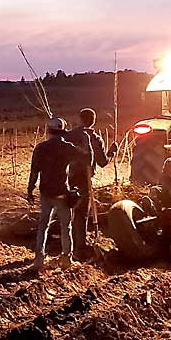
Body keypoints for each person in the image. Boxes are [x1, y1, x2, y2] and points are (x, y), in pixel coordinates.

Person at [28, 117, 83, 272]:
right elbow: (85, 157)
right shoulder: (67, 147)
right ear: (62, 131)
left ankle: (39, 260)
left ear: (48, 131)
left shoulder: (40, 148)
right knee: (66, 226)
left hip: (45, 192)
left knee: (43, 226)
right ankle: (67, 259)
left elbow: (34, 171)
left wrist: (30, 190)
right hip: (62, 193)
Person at [65, 108, 119, 255]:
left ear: (80, 119)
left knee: (68, 210)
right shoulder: (95, 138)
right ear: (93, 121)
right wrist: (112, 151)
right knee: (81, 212)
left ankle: (68, 243)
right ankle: (80, 248)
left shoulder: (69, 135)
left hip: (67, 177)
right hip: (83, 179)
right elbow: (102, 162)